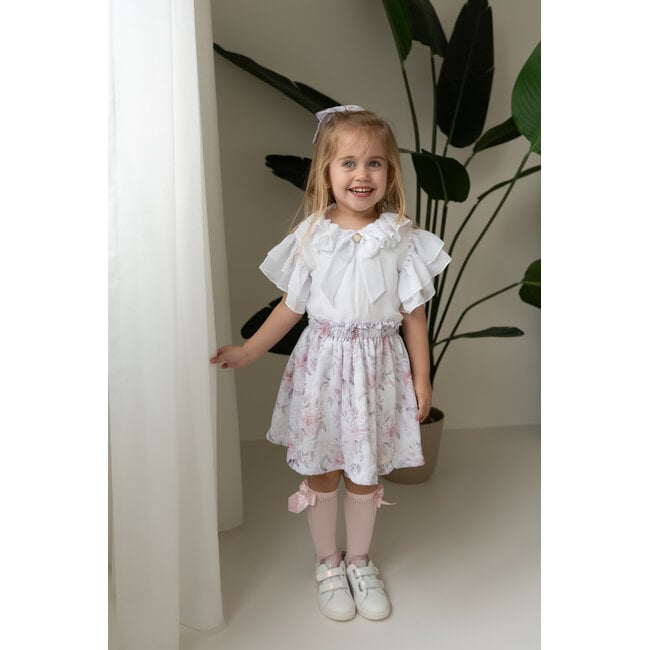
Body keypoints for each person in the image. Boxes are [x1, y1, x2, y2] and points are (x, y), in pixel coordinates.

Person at [210, 105, 450, 621]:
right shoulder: (312, 237)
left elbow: (414, 318)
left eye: (374, 163)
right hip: (323, 371)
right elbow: (290, 307)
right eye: (348, 163)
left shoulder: (403, 239)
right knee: (323, 471)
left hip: (376, 375)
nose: (362, 174)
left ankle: (359, 561)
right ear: (326, 172)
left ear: (390, 173)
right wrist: (249, 350)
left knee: (364, 475)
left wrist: (422, 380)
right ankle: (327, 562)